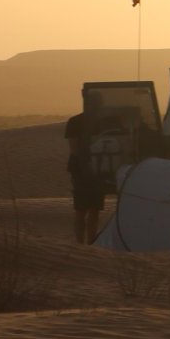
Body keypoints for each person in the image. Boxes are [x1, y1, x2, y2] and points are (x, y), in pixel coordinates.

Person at [64, 100, 110, 244]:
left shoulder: (103, 122)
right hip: (81, 171)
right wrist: (88, 163)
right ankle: (80, 244)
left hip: (98, 170)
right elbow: (74, 149)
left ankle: (91, 243)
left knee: (94, 209)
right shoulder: (76, 121)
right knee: (81, 209)